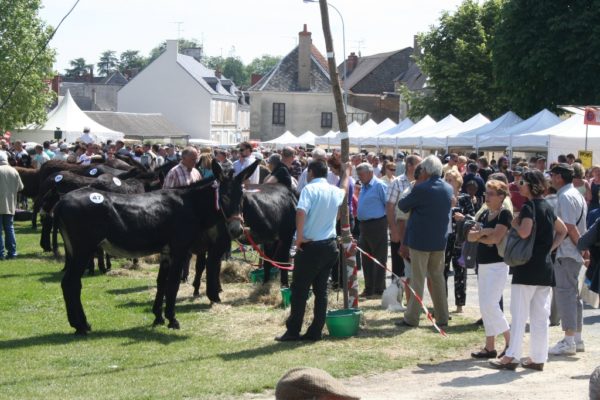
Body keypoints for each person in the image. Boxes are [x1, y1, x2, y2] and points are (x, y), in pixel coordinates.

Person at [491, 170, 568, 371]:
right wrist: (549, 248)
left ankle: (512, 356)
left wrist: (514, 223)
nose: (519, 184)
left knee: (519, 314)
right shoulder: (548, 207)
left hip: (526, 268)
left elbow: (524, 232)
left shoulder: (529, 207)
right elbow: (563, 231)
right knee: (540, 316)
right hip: (544, 267)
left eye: (522, 182)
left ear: (531, 185)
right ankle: (538, 357)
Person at [275, 160, 351, 342]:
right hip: (330, 245)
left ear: (310, 172)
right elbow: (344, 189)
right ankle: (315, 330)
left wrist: (299, 237)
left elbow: (301, 212)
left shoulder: (309, 189)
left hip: (311, 246)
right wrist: (347, 173)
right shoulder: (334, 190)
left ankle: (293, 330)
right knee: (321, 290)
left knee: (300, 290)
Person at [397, 155, 452, 327]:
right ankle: (442, 316)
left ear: (426, 170)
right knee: (438, 279)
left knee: (417, 279)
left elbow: (403, 205)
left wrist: (417, 186)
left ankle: (412, 317)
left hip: (420, 240)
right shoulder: (448, 188)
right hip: (439, 241)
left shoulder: (421, 188)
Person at [468, 180, 512, 359]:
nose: (487, 196)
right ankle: (490, 347)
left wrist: (481, 235)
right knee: (485, 306)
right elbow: (470, 236)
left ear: (501, 196)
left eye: (491, 194)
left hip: (498, 265)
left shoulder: (505, 214)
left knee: (491, 305)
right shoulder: (485, 213)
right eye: (486, 193)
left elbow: (496, 238)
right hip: (484, 264)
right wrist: (483, 233)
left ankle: (511, 342)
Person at [549, 163, 587, 355]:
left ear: (559, 177)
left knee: (566, 295)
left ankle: (569, 340)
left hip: (567, 252)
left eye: (552, 175)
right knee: (574, 296)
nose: (550, 178)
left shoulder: (564, 196)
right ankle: (577, 339)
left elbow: (570, 227)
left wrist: (580, 248)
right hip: (574, 252)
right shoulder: (577, 194)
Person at [444, 169, 475, 313]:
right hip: (444, 238)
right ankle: (442, 303)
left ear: (458, 182)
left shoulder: (465, 198)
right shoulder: (442, 196)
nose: (448, 182)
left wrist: (462, 217)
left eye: (451, 180)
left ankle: (459, 305)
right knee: (442, 271)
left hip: (460, 238)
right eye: (447, 179)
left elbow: (472, 217)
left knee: (460, 271)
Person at [356, 162, 388, 299]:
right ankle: (369, 288)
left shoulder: (379, 185)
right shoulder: (364, 186)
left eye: (361, 174)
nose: (360, 177)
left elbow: (388, 205)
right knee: (366, 258)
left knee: (379, 257)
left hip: (377, 224)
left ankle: (379, 289)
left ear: (370, 173)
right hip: (364, 225)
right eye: (358, 175)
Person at [386, 155, 421, 281]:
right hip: (399, 232)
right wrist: (394, 229)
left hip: (415, 234)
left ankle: (412, 299)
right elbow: (390, 206)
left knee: (413, 269)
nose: (421, 167)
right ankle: (396, 298)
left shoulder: (421, 183)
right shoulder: (397, 182)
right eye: (419, 164)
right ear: (409, 166)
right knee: (398, 269)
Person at [0, 151, 24, 260]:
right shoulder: (13, 171)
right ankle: (12, 252)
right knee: (9, 228)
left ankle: (1, 253)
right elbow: (20, 187)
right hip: (9, 205)